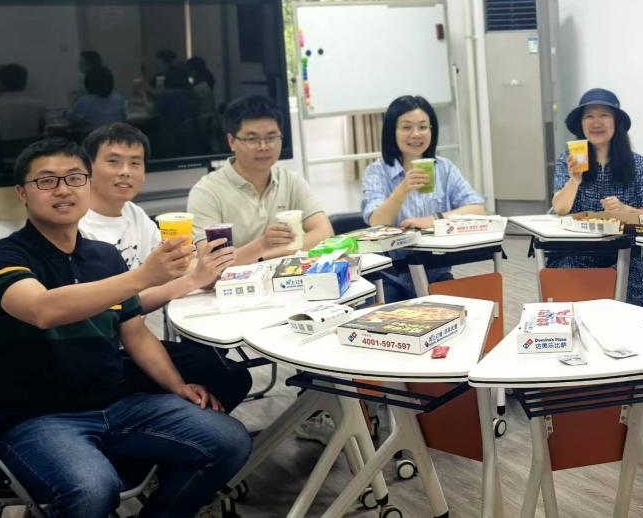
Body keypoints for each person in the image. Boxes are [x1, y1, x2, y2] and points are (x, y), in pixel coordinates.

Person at [0, 138, 251, 517]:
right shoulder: (3, 256)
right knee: (93, 489)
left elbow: (134, 332)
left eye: (75, 178)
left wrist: (177, 386)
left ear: (88, 186)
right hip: (36, 420)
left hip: (117, 406)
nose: (63, 189)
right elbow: (42, 309)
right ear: (22, 193)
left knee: (230, 441)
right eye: (46, 180)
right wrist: (142, 276)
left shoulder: (104, 256)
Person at [80, 123, 252, 411]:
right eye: (114, 161)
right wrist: (192, 280)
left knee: (229, 374)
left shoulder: (134, 214)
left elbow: (174, 270)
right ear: (88, 167)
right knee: (219, 376)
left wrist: (204, 270)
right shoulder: (80, 227)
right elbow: (118, 310)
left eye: (135, 163)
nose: (126, 171)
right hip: (100, 356)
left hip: (138, 341)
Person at [361, 95, 486, 302]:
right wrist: (401, 191)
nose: (416, 134)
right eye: (406, 127)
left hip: (436, 270)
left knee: (457, 311)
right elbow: (376, 221)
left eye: (423, 127)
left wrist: (434, 219)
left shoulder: (444, 168)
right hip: (391, 275)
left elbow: (477, 208)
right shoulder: (376, 171)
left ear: (431, 130)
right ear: (392, 131)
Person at [187, 95, 333, 265]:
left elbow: (325, 232)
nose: (263, 147)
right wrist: (262, 245)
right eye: (252, 139)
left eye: (271, 138)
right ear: (232, 141)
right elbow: (209, 263)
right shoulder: (206, 192)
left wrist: (270, 254)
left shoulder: (290, 180)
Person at [550, 88, 643, 307]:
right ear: (581, 124)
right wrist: (574, 180)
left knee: (629, 316)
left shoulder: (637, 163)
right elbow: (560, 208)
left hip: (624, 256)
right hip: (576, 254)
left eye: (604, 115)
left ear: (616, 122)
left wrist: (626, 210)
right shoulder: (568, 159)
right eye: (589, 116)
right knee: (574, 314)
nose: (596, 122)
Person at [0, 63, 46, 140]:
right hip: (30, 145)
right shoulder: (39, 105)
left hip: (1, 146)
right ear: (24, 82)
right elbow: (41, 132)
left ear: (2, 82)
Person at [70, 65, 127, 130]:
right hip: (116, 136)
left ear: (88, 82)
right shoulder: (118, 99)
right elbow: (123, 119)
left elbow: (73, 120)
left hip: (93, 136)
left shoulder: (84, 102)